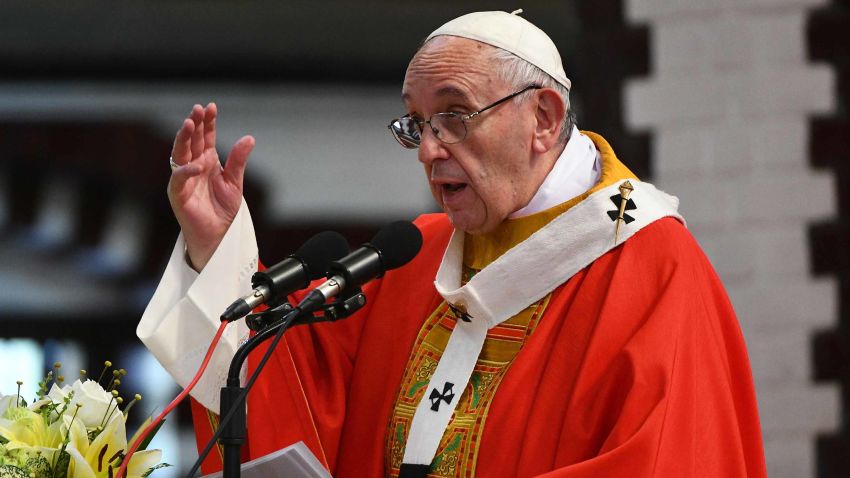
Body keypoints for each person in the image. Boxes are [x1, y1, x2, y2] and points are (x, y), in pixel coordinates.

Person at [138, 10, 767, 478]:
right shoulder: (414, 255)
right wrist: (217, 244)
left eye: (455, 116)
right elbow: (291, 382)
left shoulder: (651, 268)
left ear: (543, 118)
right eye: (418, 123)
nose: (432, 148)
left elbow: (665, 460)